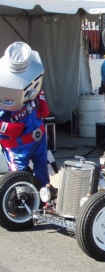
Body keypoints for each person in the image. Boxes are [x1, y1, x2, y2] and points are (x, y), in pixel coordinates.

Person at [0, 42, 51, 187]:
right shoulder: (3, 87)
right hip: (18, 145)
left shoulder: (33, 75)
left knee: (42, 172)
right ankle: (19, 204)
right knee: (17, 179)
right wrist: (6, 128)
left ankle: (43, 198)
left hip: (37, 137)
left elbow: (36, 95)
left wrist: (41, 99)